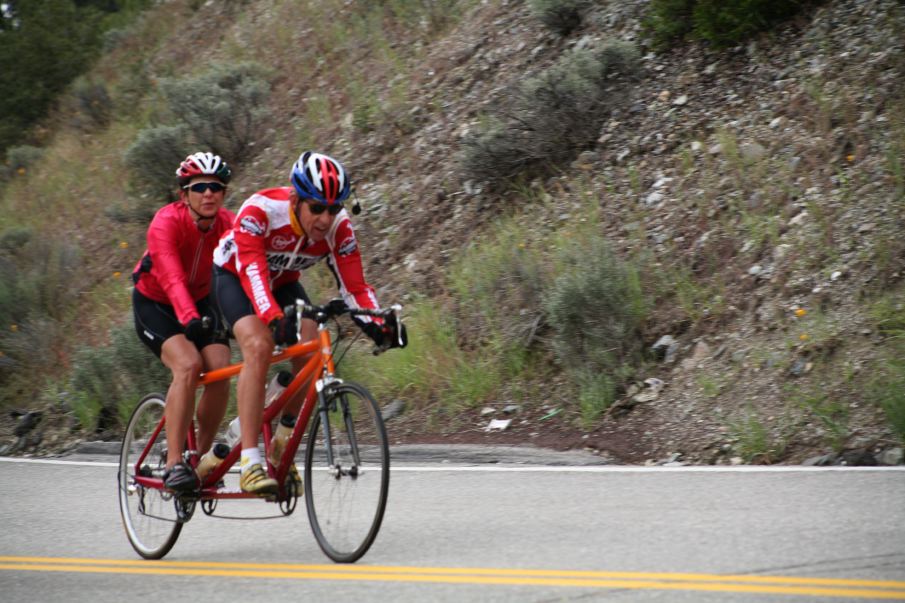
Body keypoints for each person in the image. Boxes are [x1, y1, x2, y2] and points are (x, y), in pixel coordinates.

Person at [211, 151, 406, 495]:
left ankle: (282, 438)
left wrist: (379, 321)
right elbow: (252, 272)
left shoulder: (339, 227)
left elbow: (355, 287)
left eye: (334, 208)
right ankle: (250, 462)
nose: (326, 219)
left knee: (310, 343)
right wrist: (272, 319)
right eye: (317, 208)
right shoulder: (260, 212)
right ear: (295, 199)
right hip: (233, 277)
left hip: (283, 282)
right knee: (259, 345)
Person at [132, 152, 235, 493]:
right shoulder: (165, 223)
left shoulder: (228, 226)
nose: (209, 194)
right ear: (184, 194)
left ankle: (198, 458)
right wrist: (188, 318)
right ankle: (175, 462)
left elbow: (249, 270)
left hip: (203, 299)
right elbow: (173, 278)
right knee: (189, 365)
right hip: (157, 302)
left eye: (216, 187)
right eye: (200, 187)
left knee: (220, 369)